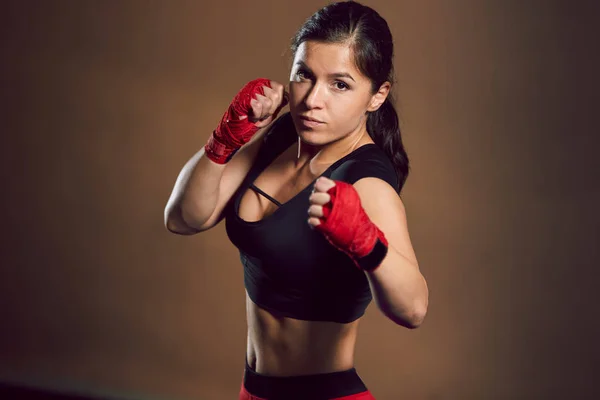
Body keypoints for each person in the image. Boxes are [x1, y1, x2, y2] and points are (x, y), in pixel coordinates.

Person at [164, 1, 429, 398]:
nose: (312, 100)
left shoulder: (366, 180)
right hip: (253, 390)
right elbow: (184, 218)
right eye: (305, 75)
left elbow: (414, 309)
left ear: (377, 95)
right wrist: (226, 140)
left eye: (340, 84)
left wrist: (366, 242)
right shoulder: (281, 136)